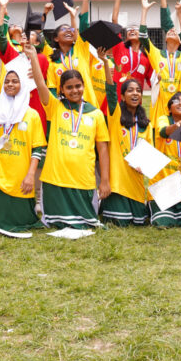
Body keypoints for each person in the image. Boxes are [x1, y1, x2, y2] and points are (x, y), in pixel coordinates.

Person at [26, 46, 110, 229]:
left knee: (87, 223)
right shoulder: (55, 107)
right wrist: (33, 57)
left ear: (83, 87)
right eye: (69, 87)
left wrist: (104, 180)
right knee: (56, 223)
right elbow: (40, 85)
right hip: (55, 178)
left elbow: (103, 148)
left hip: (84, 178)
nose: (74, 90)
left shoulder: (95, 114)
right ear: (61, 90)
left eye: (78, 86)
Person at [0, 58, 46, 233]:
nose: (10, 84)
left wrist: (31, 175)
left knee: (23, 219)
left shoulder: (31, 114)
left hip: (21, 172)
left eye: (15, 81)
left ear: (23, 84)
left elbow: (37, 148)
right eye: (7, 81)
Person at [140, 0, 181, 126]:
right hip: (160, 107)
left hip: (180, 106)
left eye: (175, 31)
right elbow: (143, 37)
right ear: (165, 39)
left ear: (179, 40)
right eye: (170, 31)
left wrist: (180, 14)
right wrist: (144, 11)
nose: (172, 30)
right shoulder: (156, 53)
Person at [102, 76, 151, 226]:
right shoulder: (115, 114)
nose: (135, 93)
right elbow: (110, 90)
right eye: (130, 91)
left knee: (139, 221)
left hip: (135, 180)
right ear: (122, 96)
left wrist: (146, 166)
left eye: (138, 90)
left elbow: (149, 152)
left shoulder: (146, 124)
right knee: (120, 221)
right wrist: (105, 62)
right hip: (117, 181)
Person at [149, 92, 181, 227]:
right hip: (163, 185)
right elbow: (163, 132)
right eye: (175, 101)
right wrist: (176, 127)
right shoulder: (164, 120)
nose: (180, 103)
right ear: (169, 108)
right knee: (163, 223)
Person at [107, 0, 155, 88]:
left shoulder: (147, 58)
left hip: (135, 102)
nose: (132, 30)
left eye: (135, 29)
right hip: (118, 100)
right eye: (129, 29)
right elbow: (114, 20)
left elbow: (154, 83)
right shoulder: (119, 47)